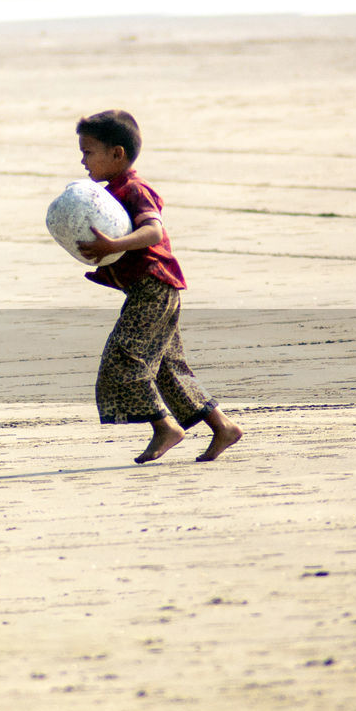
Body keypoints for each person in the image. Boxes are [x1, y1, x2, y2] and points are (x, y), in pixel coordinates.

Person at [74, 109, 242, 463]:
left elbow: (154, 231)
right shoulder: (111, 193)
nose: (82, 160)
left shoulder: (135, 190)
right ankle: (223, 427)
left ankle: (165, 426)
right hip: (148, 290)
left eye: (88, 152)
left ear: (117, 154)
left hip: (154, 289)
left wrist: (113, 247)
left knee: (124, 361)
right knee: (168, 368)